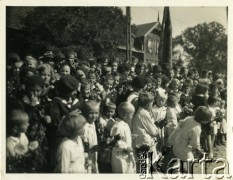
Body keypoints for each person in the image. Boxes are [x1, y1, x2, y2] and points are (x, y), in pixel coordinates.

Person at [168, 106, 212, 173]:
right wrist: (199, 151)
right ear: (204, 120)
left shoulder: (190, 118)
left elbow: (180, 123)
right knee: (190, 159)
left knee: (178, 155)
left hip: (177, 140)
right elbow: (195, 143)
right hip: (184, 146)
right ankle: (188, 172)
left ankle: (179, 168)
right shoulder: (197, 128)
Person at [132, 92, 159, 160]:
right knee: (148, 162)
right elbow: (153, 131)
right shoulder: (143, 114)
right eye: (151, 104)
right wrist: (157, 130)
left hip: (140, 140)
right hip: (144, 142)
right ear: (148, 105)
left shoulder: (140, 112)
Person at [111, 102, 136, 173]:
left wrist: (130, 136)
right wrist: (126, 147)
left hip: (126, 155)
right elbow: (115, 142)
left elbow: (122, 137)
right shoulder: (118, 126)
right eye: (132, 115)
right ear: (125, 115)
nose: (132, 117)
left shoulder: (124, 124)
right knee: (122, 171)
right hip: (120, 157)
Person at [81, 100, 100, 173]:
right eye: (91, 113)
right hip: (86, 154)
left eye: (96, 113)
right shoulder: (84, 127)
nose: (94, 116)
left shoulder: (92, 123)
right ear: (85, 113)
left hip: (93, 152)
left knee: (94, 164)